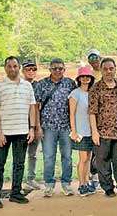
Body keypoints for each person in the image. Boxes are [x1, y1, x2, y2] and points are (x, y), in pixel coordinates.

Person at [0, 56, 36, 209]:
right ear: (5, 68)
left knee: (19, 164)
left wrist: (32, 128)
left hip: (22, 131)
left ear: (19, 67)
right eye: (9, 66)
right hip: (5, 132)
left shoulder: (27, 86)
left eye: (15, 66)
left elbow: (32, 107)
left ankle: (16, 193)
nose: (12, 69)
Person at [89, 57, 117, 197]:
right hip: (103, 133)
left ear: (115, 69)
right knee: (103, 162)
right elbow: (92, 112)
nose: (108, 71)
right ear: (101, 70)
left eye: (111, 68)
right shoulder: (96, 88)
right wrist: (94, 132)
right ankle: (108, 188)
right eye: (105, 69)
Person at [34, 58, 77, 197]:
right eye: (54, 68)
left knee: (67, 157)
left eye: (60, 68)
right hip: (48, 126)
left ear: (64, 69)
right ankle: (49, 185)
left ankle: (66, 184)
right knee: (48, 156)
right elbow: (36, 106)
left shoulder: (70, 83)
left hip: (66, 126)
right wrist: (37, 127)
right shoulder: (41, 84)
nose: (57, 71)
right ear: (50, 69)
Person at [69, 66, 96, 196]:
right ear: (79, 78)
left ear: (91, 78)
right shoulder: (75, 93)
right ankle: (81, 185)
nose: (85, 79)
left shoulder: (92, 93)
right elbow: (71, 114)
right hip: (80, 131)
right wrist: (74, 131)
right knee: (83, 159)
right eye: (83, 77)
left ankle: (86, 182)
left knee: (88, 159)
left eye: (87, 76)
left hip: (91, 131)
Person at [22, 60, 44, 191]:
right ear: (23, 71)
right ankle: (17, 181)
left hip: (33, 123)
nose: (31, 72)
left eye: (33, 69)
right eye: (28, 69)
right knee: (19, 154)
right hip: (19, 124)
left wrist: (37, 126)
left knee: (33, 154)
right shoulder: (19, 84)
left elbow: (37, 107)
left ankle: (30, 179)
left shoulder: (38, 86)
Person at [86, 48, 102, 189]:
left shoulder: (105, 71)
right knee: (94, 148)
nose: (94, 62)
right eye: (91, 59)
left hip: (106, 115)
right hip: (92, 114)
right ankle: (95, 176)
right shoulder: (88, 74)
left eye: (96, 58)